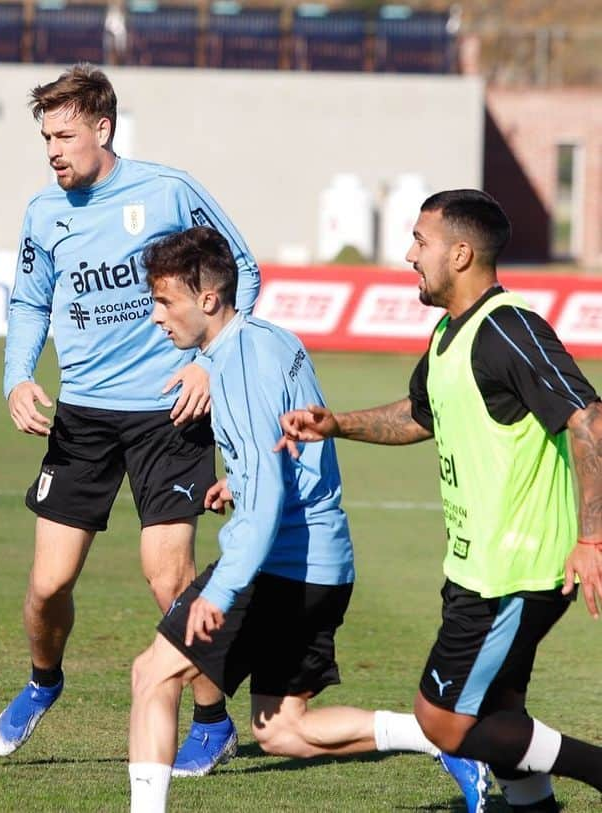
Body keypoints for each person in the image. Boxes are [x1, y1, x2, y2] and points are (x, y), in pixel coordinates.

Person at [127, 225, 490, 812]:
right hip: (322, 563)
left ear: (209, 299)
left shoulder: (238, 365)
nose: (155, 316)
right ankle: (441, 739)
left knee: (152, 675)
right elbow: (282, 453)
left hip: (276, 564)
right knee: (282, 729)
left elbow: (269, 498)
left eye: (165, 301)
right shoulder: (269, 339)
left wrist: (220, 589)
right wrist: (238, 481)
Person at [278, 189, 602, 812]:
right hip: (475, 564)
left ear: (460, 253)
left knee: (442, 721)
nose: (408, 254)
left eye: (420, 242)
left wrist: (591, 538)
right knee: (500, 710)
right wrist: (337, 423)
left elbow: (587, 420)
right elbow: (422, 414)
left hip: (515, 569)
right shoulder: (451, 333)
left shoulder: (509, 327)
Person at [0, 64, 260, 776]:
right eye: (45, 135)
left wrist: (212, 361)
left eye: (65, 133)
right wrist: (17, 375)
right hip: (80, 416)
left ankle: (212, 718)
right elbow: (28, 302)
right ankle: (45, 679)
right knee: (48, 585)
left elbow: (244, 270)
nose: (53, 149)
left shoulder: (166, 191)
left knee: (168, 578)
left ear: (103, 129)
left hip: (168, 413)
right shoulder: (43, 213)